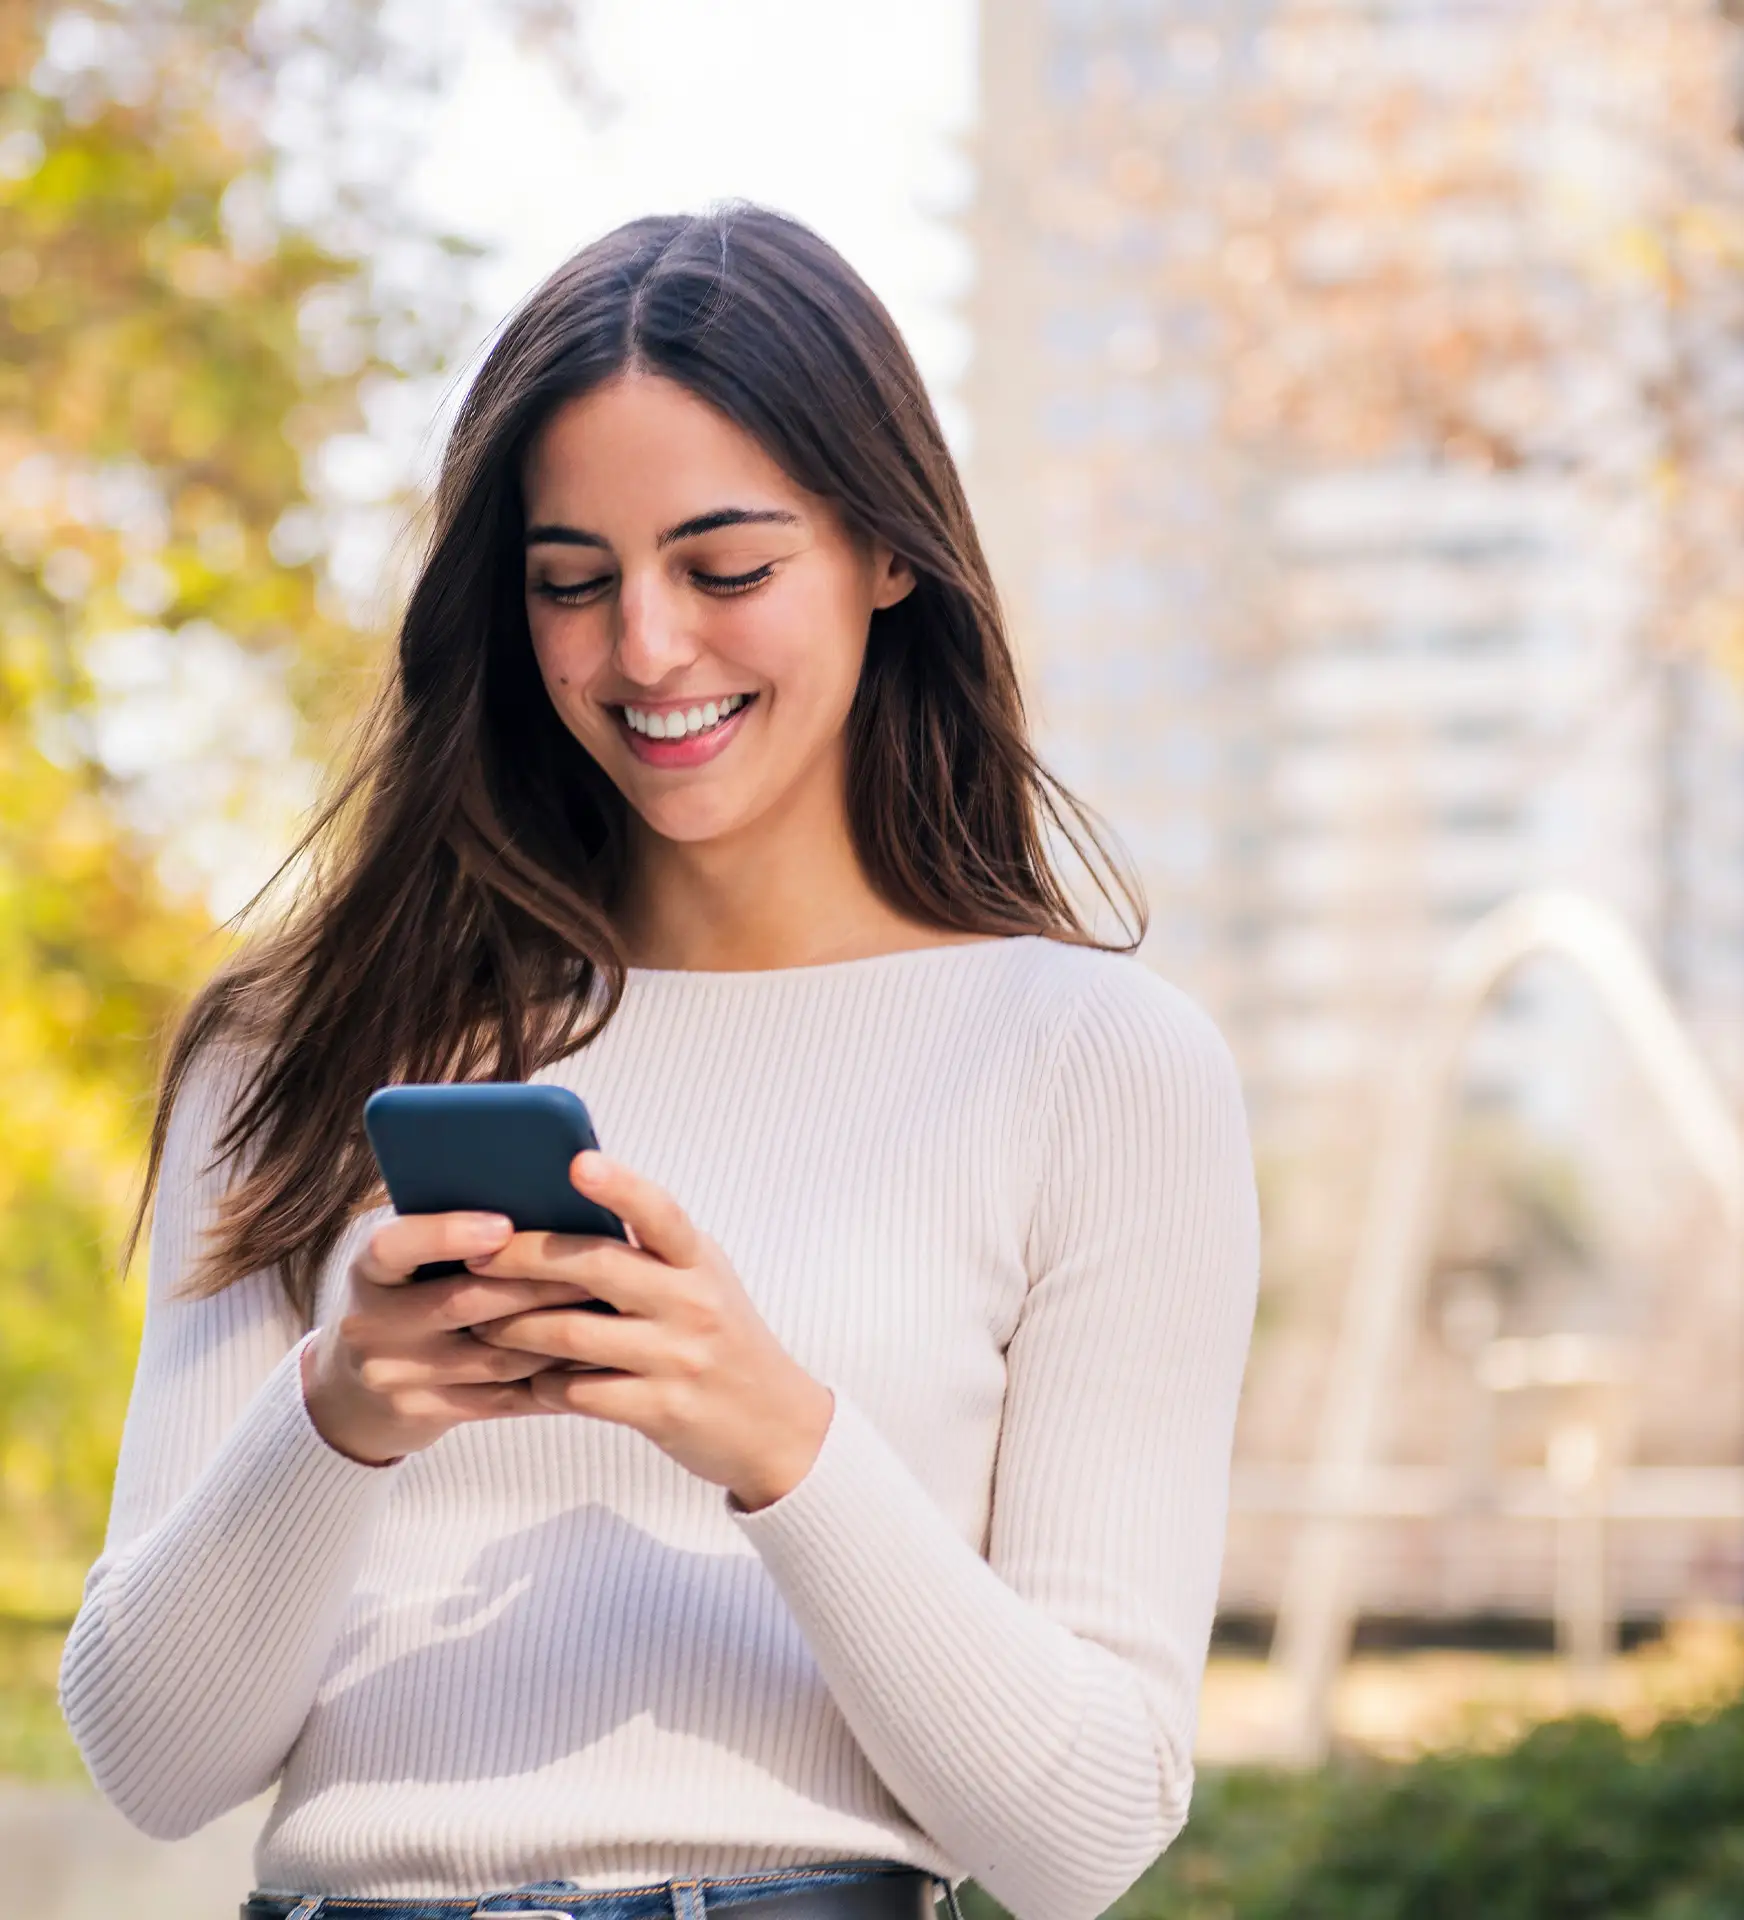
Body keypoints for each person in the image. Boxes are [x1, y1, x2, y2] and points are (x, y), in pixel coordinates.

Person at [59, 205, 1260, 1920]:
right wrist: (336, 1417)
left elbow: (1083, 1836)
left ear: (889, 552)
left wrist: (771, 1433)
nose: (643, 651)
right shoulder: (294, 1048)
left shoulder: (1098, 1068)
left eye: (727, 568)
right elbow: (154, 1761)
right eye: (572, 582)